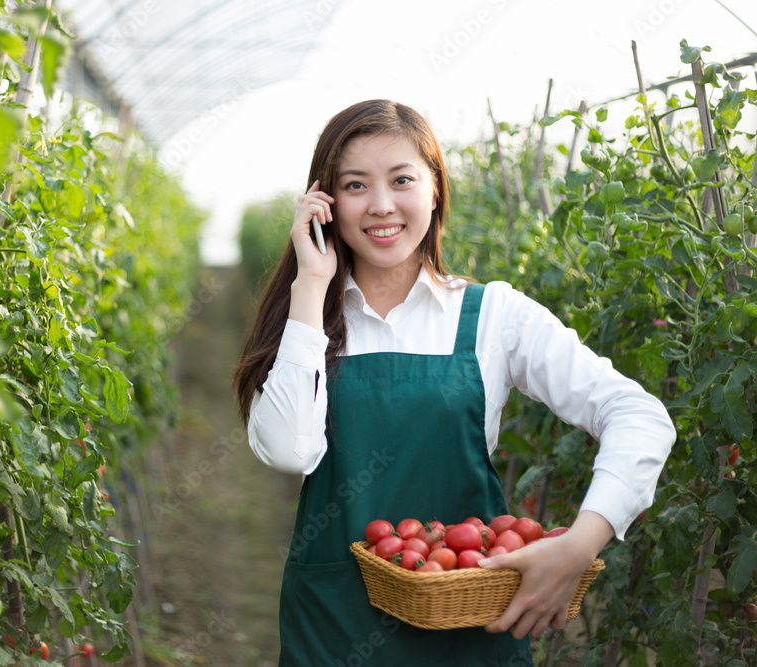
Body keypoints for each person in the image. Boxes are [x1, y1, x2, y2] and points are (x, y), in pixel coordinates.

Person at [232, 99, 675, 665]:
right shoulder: (310, 324)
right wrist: (309, 288)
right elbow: (290, 452)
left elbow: (638, 415)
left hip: (471, 623)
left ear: (435, 189)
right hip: (334, 626)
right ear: (325, 203)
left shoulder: (494, 316)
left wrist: (580, 543)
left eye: (402, 180)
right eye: (355, 186)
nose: (382, 205)